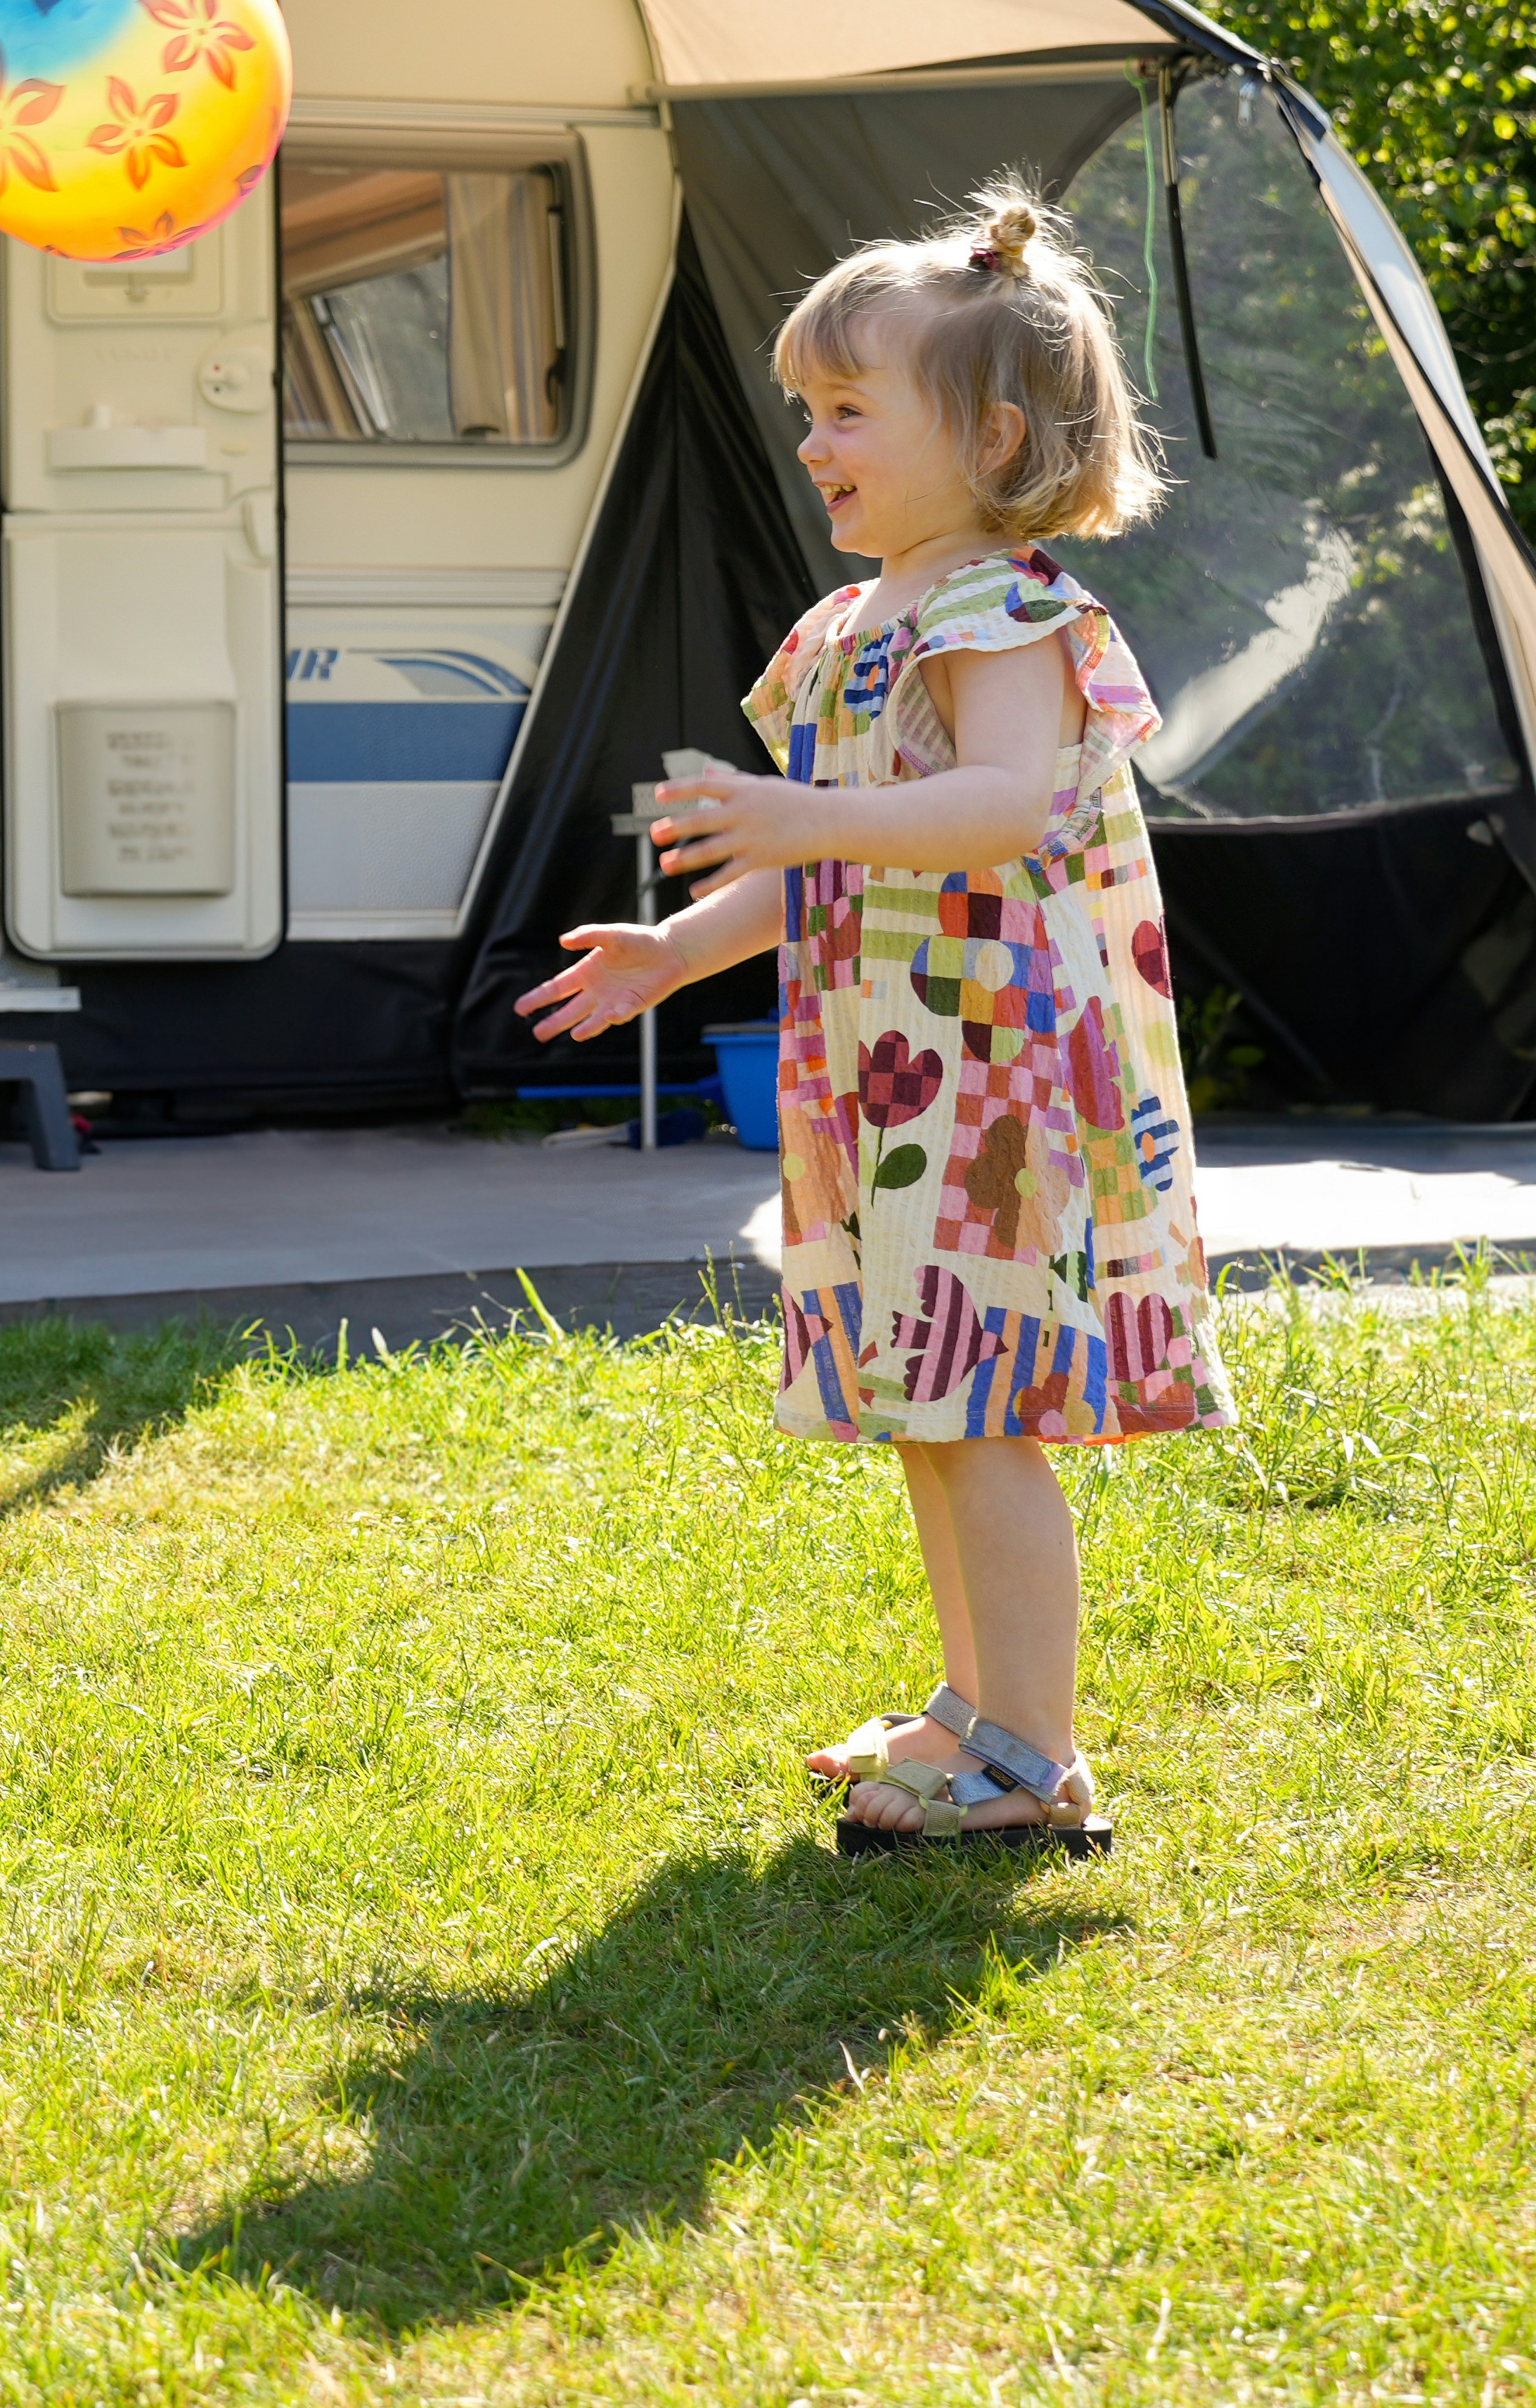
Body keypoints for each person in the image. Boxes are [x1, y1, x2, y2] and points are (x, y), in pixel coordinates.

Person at [514, 186, 1232, 1853]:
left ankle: (1034, 1756)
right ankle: (970, 1710)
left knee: (981, 1412)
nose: (813, 443)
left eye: (849, 410)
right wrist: (678, 947)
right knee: (927, 1401)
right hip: (893, 1087)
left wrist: (807, 819)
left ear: (990, 436)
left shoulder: (1006, 615)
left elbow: (999, 805)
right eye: (808, 410)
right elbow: (819, 855)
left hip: (996, 1086)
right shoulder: (848, 626)